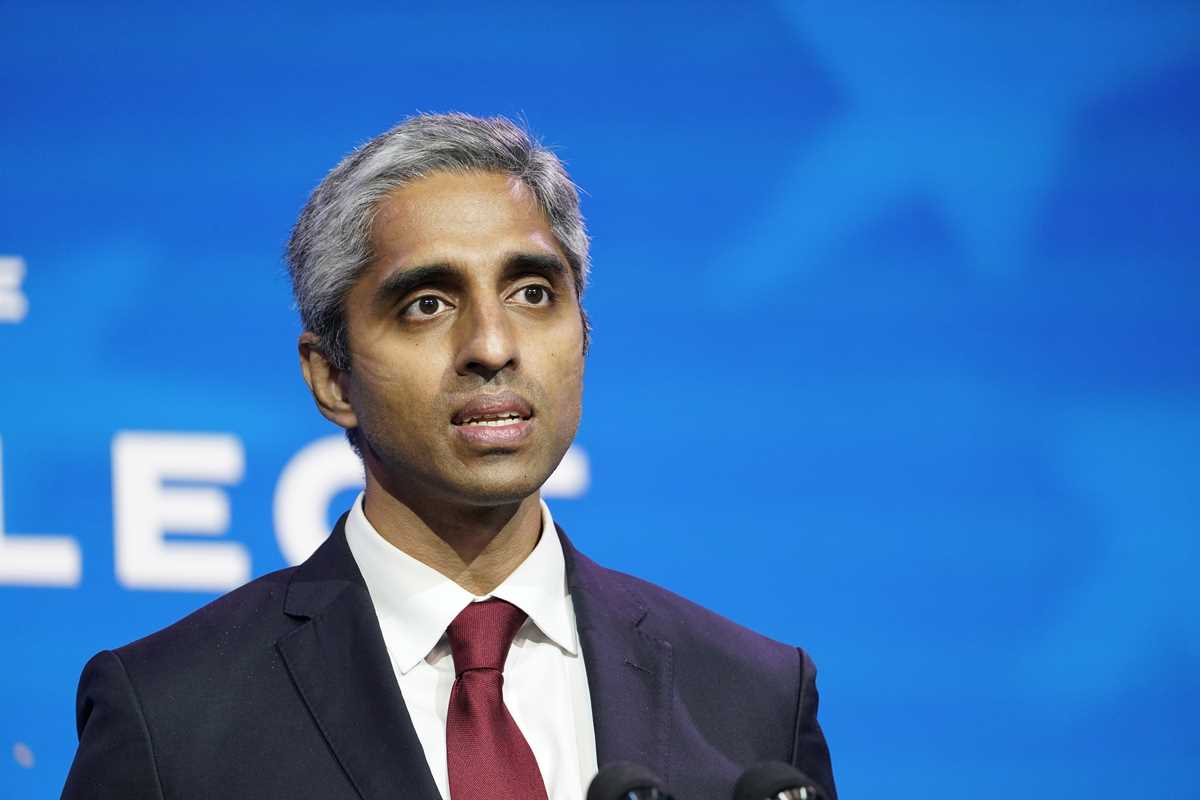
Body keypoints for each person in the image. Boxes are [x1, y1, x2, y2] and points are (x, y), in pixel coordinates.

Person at [62, 113, 836, 800]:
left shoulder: (754, 698)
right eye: (427, 304)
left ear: (583, 335)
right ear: (332, 377)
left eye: (533, 293)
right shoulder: (170, 714)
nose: (493, 347)